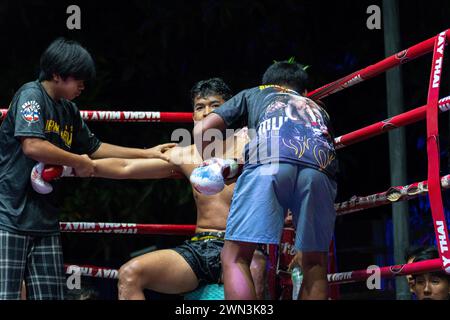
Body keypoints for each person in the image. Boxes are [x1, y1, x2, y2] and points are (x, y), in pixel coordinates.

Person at [0, 37, 173, 300]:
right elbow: (33, 145)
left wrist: (146, 151)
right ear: (57, 75)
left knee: (50, 297)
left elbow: (95, 148)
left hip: (44, 220)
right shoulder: (31, 96)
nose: (82, 86)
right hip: (8, 216)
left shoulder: (68, 110)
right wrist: (77, 160)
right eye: (78, 79)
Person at [89, 78, 267, 300]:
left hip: (242, 246)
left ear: (230, 110)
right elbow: (126, 166)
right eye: (200, 107)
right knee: (130, 274)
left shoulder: (252, 146)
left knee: (257, 272)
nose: (206, 112)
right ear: (193, 116)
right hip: (200, 248)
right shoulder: (187, 154)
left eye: (215, 106)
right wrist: (82, 164)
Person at [193, 60, 338, 300]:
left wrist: (213, 162)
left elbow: (203, 130)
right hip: (320, 170)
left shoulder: (255, 93)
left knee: (235, 257)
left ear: (267, 85)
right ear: (303, 92)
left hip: (268, 163)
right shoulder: (318, 107)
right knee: (315, 263)